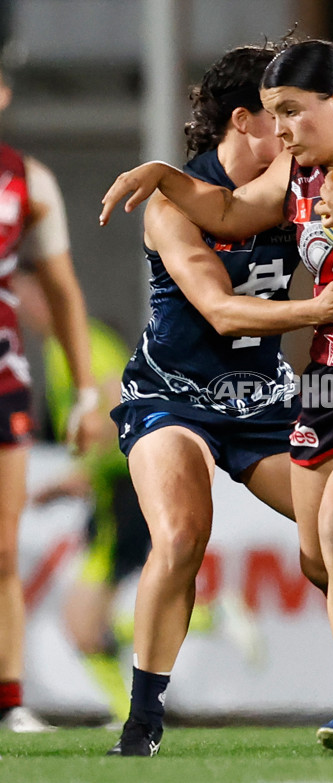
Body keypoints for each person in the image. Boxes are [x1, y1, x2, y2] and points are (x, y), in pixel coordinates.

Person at [99, 38, 333, 755]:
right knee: (294, 548)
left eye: (292, 113)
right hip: (258, 385)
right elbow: (226, 226)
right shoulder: (287, 173)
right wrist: (160, 173)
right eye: (273, 115)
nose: (283, 130)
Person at [0, 68, 102, 732]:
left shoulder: (26, 180)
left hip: (2, 378)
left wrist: (86, 392)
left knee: (3, 550)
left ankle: (9, 703)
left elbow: (62, 291)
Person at [12, 267, 149, 724]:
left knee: (81, 622)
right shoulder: (59, 348)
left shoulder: (79, 342)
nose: (22, 308)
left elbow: (118, 411)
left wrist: (82, 473)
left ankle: (209, 617)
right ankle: (128, 711)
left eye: (27, 296)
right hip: (115, 491)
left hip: (123, 490)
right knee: (85, 622)